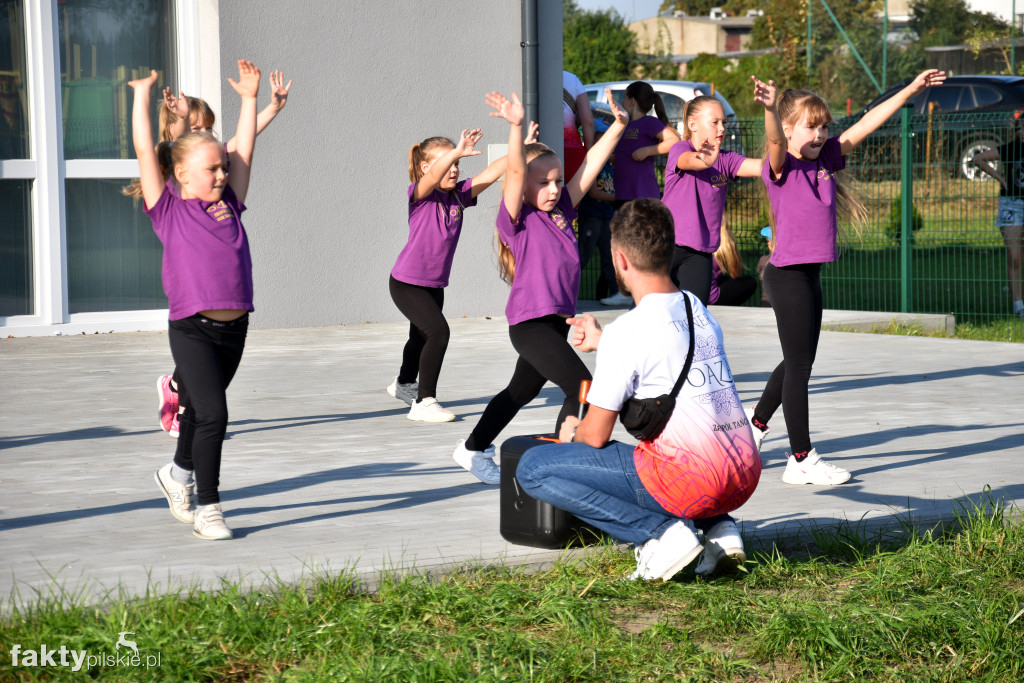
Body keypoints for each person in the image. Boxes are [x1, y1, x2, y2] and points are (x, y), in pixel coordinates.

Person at [516, 198, 762, 580]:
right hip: (743, 474)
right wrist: (604, 342)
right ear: (669, 249)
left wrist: (571, 435)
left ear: (620, 261)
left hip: (694, 483)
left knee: (532, 468)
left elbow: (594, 437)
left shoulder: (627, 332)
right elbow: (663, 355)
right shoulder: (697, 308)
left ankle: (660, 536)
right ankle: (719, 529)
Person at [748, 69, 946, 486]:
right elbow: (774, 143)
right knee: (800, 365)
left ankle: (755, 425)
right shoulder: (779, 167)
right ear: (788, 129)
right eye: (810, 126)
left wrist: (910, 89)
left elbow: (866, 123)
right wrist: (769, 108)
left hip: (809, 277)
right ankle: (800, 459)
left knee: (796, 359)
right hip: (786, 277)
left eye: (824, 126)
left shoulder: (827, 160)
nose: (820, 134)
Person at [451, 89, 628, 485]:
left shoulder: (563, 208)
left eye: (557, 180)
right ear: (524, 187)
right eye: (543, 182)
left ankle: (472, 448)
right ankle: (566, 465)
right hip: (530, 325)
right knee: (583, 386)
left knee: (519, 392)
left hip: (553, 325)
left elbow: (591, 163)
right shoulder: (515, 219)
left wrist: (617, 126)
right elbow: (514, 173)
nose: (553, 188)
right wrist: (516, 128)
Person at [129, 59, 262, 540]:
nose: (223, 174)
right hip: (192, 328)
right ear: (181, 174)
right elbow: (147, 149)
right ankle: (210, 507)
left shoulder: (230, 204)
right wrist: (142, 97)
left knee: (198, 411)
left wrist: (249, 99)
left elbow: (245, 150)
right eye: (212, 169)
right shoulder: (167, 208)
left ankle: (177, 475)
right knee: (214, 414)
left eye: (223, 168)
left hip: (235, 328)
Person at [150, 71, 293, 438]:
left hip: (223, 300)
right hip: (190, 279)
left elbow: (244, 141)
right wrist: (180, 121)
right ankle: (185, 412)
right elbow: (180, 144)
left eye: (209, 129)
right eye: (198, 128)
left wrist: (271, 107)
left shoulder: (215, 165)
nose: (207, 136)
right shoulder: (175, 172)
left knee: (205, 361)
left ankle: (182, 392)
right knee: (195, 344)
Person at [387, 124, 537, 422]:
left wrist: (519, 148)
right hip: (406, 283)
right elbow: (431, 177)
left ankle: (403, 384)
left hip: (433, 284)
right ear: (427, 166)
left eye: (457, 163)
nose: (454, 168)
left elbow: (492, 171)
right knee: (438, 332)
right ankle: (424, 401)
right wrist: (456, 150)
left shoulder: (458, 196)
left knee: (419, 338)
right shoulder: (420, 195)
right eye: (448, 163)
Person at [660, 93, 764, 304]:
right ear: (693, 124)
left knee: (695, 315)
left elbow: (761, 167)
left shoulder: (726, 159)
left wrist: (789, 159)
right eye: (715, 122)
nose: (722, 128)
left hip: (700, 251)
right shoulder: (681, 149)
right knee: (647, 310)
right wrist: (705, 159)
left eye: (723, 122)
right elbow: (692, 161)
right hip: (666, 245)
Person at [971, 114, 1024, 318]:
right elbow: (977, 159)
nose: (1022, 132)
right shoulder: (1009, 149)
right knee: (1015, 256)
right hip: (1011, 204)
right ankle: (1018, 305)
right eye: (1020, 128)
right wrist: (1000, 178)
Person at [613, 81, 680, 209]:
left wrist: (648, 150)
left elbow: (674, 140)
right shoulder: (623, 124)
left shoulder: (649, 122)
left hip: (642, 194)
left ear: (632, 101)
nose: (622, 103)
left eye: (624, 98)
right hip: (621, 193)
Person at [575, 117, 619, 304]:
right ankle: (567, 291)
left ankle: (618, 294)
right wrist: (620, 198)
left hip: (606, 216)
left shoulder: (608, 165)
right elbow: (593, 192)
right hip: (592, 216)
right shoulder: (591, 162)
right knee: (583, 256)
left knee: (611, 258)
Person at [710, 221, 757, 306]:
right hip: (712, 298)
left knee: (723, 278)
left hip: (692, 294)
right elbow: (735, 273)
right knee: (750, 282)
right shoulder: (723, 248)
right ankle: (725, 307)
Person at [563, 70, 595, 181]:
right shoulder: (572, 79)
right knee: (572, 196)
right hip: (572, 149)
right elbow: (588, 121)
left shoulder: (534, 74)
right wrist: (589, 152)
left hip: (540, 151)